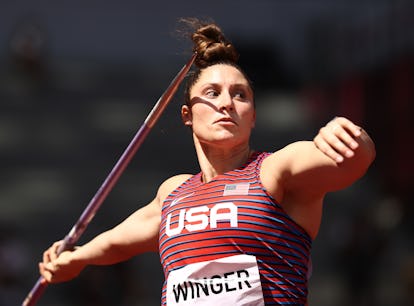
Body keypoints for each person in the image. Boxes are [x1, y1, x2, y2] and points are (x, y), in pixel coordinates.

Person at [38, 18, 376, 305]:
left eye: (240, 95)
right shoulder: (172, 192)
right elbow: (116, 242)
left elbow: (355, 161)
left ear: (253, 116)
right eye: (213, 93)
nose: (227, 103)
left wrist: (346, 135)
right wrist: (76, 258)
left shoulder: (275, 172)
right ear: (187, 114)